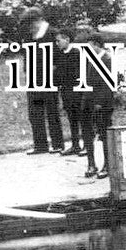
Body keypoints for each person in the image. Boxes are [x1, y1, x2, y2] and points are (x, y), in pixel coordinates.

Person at [19, 7, 64, 154]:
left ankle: (57, 144)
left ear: (38, 20)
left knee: (52, 111)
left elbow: (60, 56)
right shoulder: (29, 35)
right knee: (34, 112)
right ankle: (40, 145)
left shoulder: (52, 33)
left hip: (49, 79)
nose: (29, 29)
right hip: (33, 79)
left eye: (31, 25)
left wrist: (54, 68)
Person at [76, 27, 116, 178]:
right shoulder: (88, 58)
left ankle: (108, 165)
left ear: (96, 44)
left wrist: (99, 102)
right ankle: (91, 164)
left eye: (89, 45)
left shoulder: (107, 59)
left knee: (105, 134)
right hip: (87, 100)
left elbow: (108, 84)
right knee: (87, 132)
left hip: (103, 103)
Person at [54, 26, 84, 156]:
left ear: (67, 39)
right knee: (71, 118)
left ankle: (87, 145)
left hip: (77, 91)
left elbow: (78, 73)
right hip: (66, 91)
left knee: (82, 118)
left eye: (58, 40)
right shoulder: (60, 54)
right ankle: (75, 145)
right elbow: (58, 73)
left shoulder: (76, 53)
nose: (57, 43)